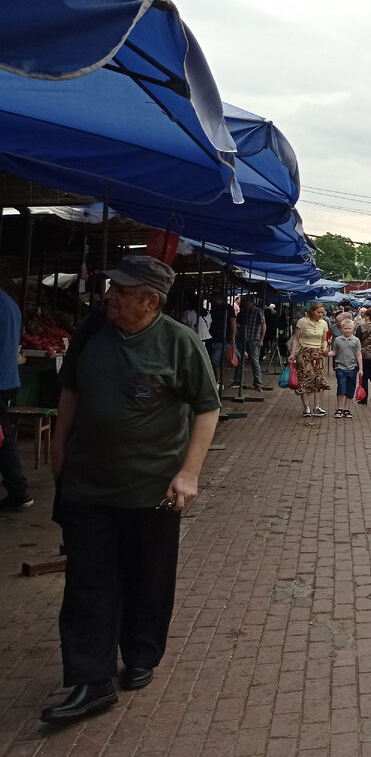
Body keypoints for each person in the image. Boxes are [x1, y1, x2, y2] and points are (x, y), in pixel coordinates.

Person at [43, 255, 220, 723]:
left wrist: (189, 473)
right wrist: (59, 452)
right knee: (87, 584)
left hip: (152, 489)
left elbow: (207, 408)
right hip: (87, 485)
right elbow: (71, 395)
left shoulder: (179, 343)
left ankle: (141, 653)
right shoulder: (92, 336)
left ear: (150, 300)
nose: (110, 297)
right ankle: (90, 679)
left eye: (121, 292)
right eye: (111, 288)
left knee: (147, 577)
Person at [0, 289, 30, 511]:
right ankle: (18, 489)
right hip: (7, 378)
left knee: (1, 438)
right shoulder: (10, 303)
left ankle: (19, 490)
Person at [290, 302, 331, 417]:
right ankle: (306, 407)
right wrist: (293, 353)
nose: (320, 315)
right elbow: (295, 338)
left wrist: (324, 348)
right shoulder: (302, 322)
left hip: (317, 354)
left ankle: (317, 407)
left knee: (319, 379)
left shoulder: (323, 323)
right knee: (304, 379)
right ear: (312, 311)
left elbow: (324, 340)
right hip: (304, 353)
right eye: (318, 312)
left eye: (322, 313)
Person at [330, 318, 363, 419]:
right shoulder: (338, 340)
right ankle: (339, 408)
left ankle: (347, 409)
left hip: (352, 368)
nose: (347, 330)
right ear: (342, 329)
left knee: (350, 388)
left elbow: (358, 355)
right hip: (340, 367)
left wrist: (361, 368)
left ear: (353, 329)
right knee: (341, 386)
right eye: (345, 328)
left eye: (349, 328)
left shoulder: (356, 340)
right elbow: (334, 352)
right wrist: (326, 353)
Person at [233, 294, 265, 391]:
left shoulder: (258, 311)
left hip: (253, 339)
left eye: (246, 301)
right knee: (239, 360)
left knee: (255, 361)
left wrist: (261, 339)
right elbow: (237, 325)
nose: (244, 303)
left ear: (251, 302)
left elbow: (264, 325)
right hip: (242, 338)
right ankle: (237, 380)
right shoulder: (242, 312)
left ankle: (258, 382)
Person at [207, 293, 235, 384]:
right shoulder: (214, 308)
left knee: (215, 359)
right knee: (215, 359)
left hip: (222, 337)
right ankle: (217, 379)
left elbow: (233, 323)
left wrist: (232, 337)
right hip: (212, 336)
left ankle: (218, 380)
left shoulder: (228, 308)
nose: (210, 301)